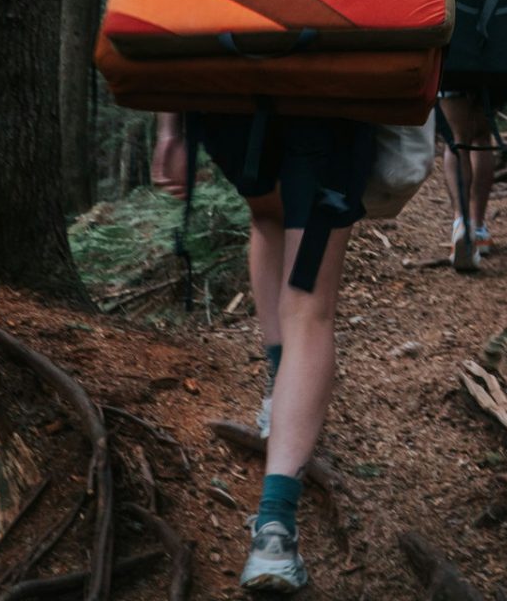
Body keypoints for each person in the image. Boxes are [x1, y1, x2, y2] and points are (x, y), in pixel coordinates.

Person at [153, 110, 366, 593]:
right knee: (309, 310)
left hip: (232, 91)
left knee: (267, 211)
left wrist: (171, 128)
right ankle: (274, 530)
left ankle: (278, 384)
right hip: (336, 94)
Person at [436, 86, 507, 271]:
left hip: (454, 65)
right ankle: (477, 228)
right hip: (493, 67)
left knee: (456, 139)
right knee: (483, 138)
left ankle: (462, 223)